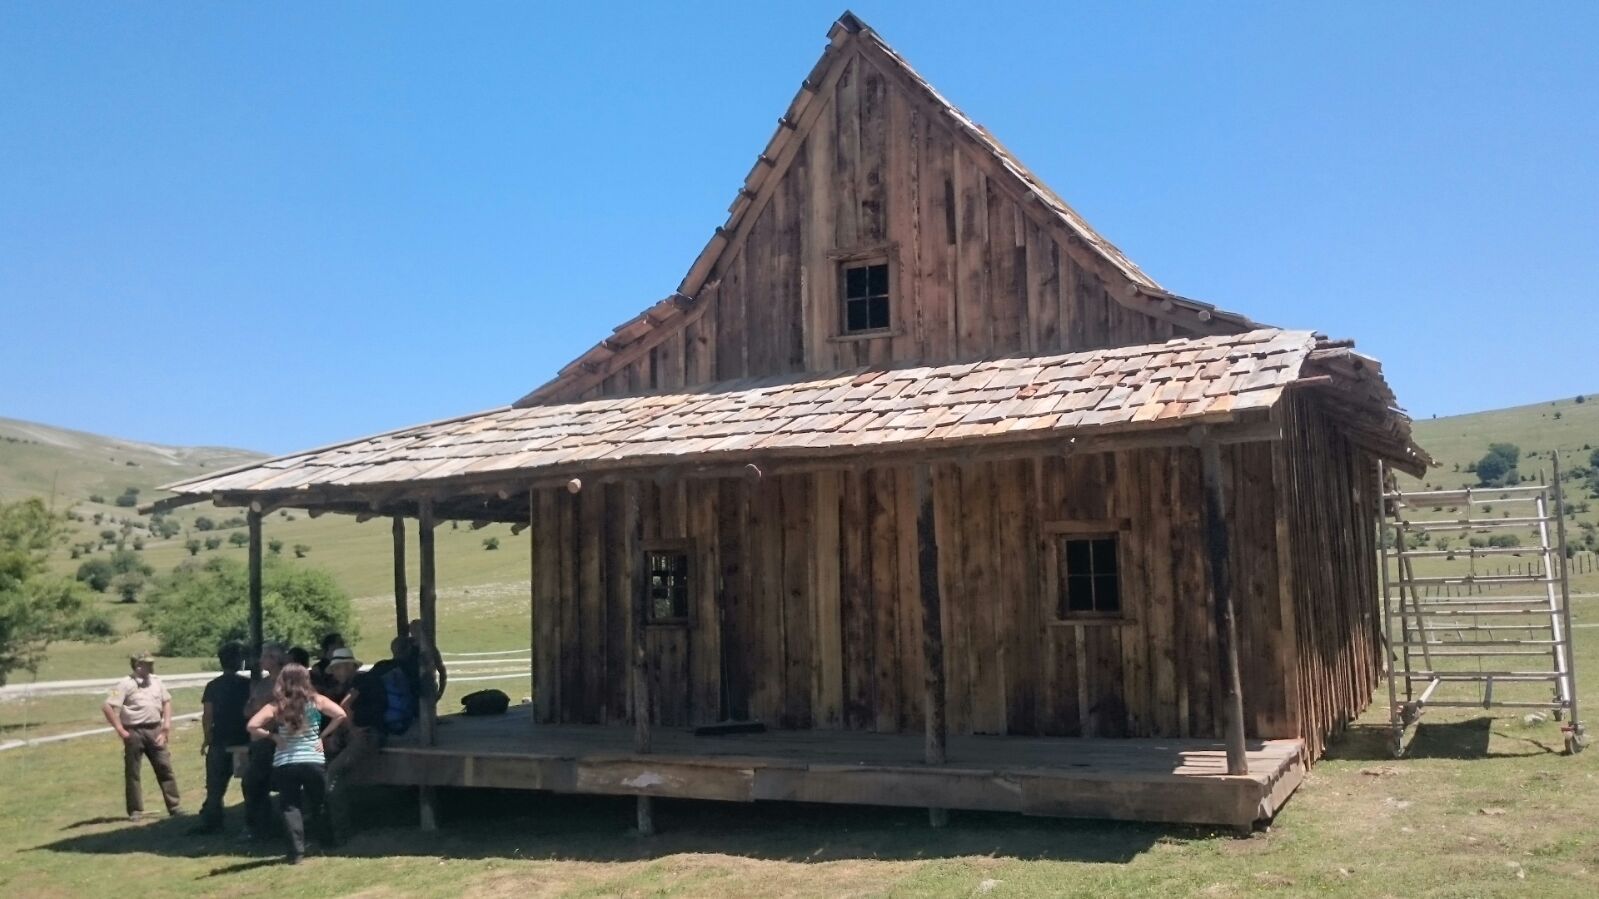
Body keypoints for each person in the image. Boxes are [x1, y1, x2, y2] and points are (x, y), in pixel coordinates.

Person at [246, 663, 347, 864]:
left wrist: (273, 736)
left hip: (286, 761)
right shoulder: (316, 700)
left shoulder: (277, 706)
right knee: (319, 802)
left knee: (290, 806)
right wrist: (323, 736)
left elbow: (251, 725)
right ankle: (327, 842)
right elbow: (340, 714)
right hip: (313, 759)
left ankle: (296, 852)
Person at [102, 651, 180, 821]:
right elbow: (107, 706)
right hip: (134, 731)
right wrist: (120, 729)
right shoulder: (124, 684)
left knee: (164, 766)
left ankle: (174, 806)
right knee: (133, 771)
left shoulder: (157, 682)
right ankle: (135, 810)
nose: (152, 666)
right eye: (148, 664)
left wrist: (166, 726)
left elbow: (166, 702)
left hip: (155, 729)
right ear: (138, 666)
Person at [322, 647, 387, 841]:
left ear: (348, 667)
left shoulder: (361, 681)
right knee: (327, 769)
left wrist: (347, 731)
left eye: (338, 669)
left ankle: (341, 831)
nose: (335, 674)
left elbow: (344, 709)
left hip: (368, 734)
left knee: (333, 772)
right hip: (359, 734)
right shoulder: (352, 684)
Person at [193, 641, 251, 834]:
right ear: (238, 661)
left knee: (215, 786)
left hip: (219, 739)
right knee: (249, 782)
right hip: (242, 739)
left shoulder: (212, 686)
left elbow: (207, 715)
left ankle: (212, 821)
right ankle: (251, 821)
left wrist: (206, 738)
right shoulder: (247, 685)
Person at [242, 642, 288, 840]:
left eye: (265, 656)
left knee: (262, 781)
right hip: (260, 740)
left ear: (275, 659)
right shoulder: (262, 683)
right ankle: (261, 825)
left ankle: (269, 826)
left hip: (277, 740)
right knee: (254, 783)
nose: (261, 660)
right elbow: (248, 709)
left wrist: (262, 708)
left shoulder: (285, 682)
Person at [408, 618, 447, 706]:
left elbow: (441, 670)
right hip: (411, 688)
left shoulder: (430, 648)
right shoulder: (407, 646)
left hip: (427, 687)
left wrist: (440, 691)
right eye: (413, 630)